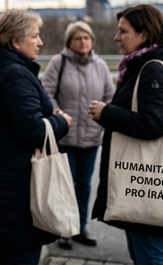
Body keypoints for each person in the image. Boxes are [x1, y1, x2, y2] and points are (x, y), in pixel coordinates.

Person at [88, 4, 163, 265]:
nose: (116, 37)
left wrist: (107, 113)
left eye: (123, 31)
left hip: (146, 182)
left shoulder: (153, 68)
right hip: (141, 181)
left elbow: (154, 123)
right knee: (145, 254)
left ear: (144, 35)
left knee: (151, 256)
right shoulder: (142, 65)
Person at [0, 9, 72, 264]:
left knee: (6, 249)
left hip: (0, 177)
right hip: (21, 185)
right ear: (16, 40)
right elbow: (33, 130)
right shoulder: (16, 74)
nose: (40, 42)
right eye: (35, 36)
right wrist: (61, 121)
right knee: (23, 250)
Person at [41, 20, 114, 250]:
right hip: (66, 136)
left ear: (92, 41)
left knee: (84, 185)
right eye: (77, 38)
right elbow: (47, 93)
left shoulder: (101, 66)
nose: (82, 42)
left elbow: (110, 96)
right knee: (66, 185)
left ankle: (81, 227)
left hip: (92, 137)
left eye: (86, 38)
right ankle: (65, 229)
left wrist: (104, 116)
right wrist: (58, 114)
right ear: (69, 42)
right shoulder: (58, 62)